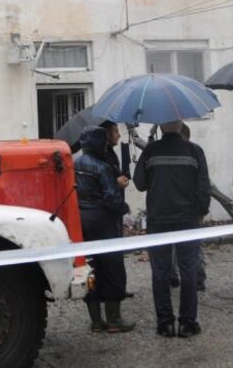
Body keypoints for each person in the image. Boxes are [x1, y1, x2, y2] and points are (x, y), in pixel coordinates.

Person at [133, 120, 210, 338]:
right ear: (180, 126)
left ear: (161, 127)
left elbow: (139, 183)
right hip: (188, 220)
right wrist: (199, 213)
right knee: (188, 270)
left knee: (160, 272)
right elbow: (203, 187)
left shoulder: (151, 151)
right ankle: (187, 323)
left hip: (158, 220)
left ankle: (165, 323)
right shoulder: (195, 151)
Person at [74, 125, 134, 333]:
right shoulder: (102, 167)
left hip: (81, 221)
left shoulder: (74, 164)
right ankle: (114, 320)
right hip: (104, 222)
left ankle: (96, 321)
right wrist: (124, 208)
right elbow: (111, 198)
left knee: (90, 268)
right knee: (112, 268)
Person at [169, 123, 207, 292]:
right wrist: (202, 208)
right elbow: (203, 183)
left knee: (172, 244)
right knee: (194, 246)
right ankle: (197, 279)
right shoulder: (196, 151)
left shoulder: (167, 151)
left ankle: (174, 276)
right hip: (192, 208)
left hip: (173, 208)